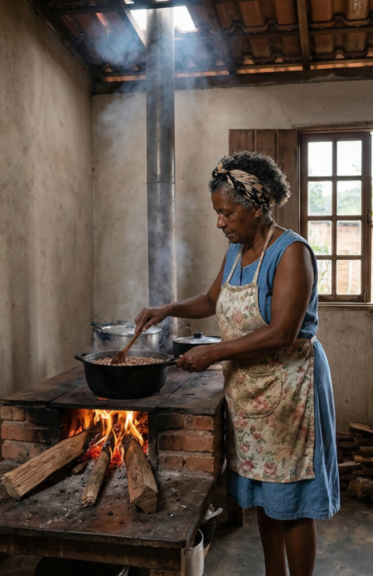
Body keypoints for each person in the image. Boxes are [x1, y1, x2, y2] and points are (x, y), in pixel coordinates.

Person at [135, 151, 339, 576]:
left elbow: (283, 332)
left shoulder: (290, 253)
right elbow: (212, 300)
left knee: (293, 502)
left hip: (290, 391)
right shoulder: (236, 251)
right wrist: (167, 308)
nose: (220, 222)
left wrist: (213, 352)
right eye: (217, 213)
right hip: (251, 391)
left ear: (257, 206)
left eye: (226, 212)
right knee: (267, 497)